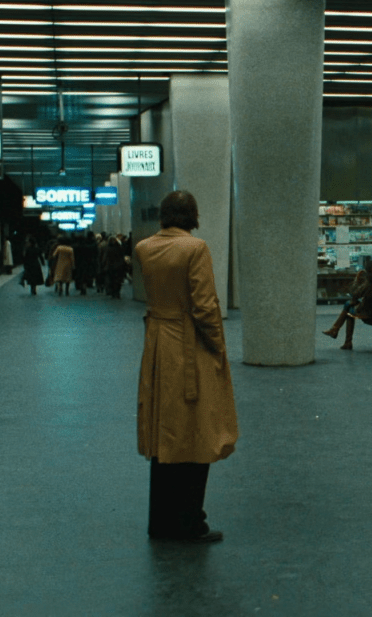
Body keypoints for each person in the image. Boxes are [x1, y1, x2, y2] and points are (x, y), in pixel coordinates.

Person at [134, 190, 238, 543]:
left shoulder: (144, 248)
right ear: (193, 215)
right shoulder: (195, 249)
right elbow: (205, 307)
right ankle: (191, 521)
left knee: (164, 433)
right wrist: (218, 347)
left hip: (157, 345)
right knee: (196, 431)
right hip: (188, 344)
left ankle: (160, 521)